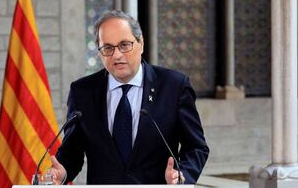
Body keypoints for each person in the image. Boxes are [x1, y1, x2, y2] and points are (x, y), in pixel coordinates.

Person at [49, 10, 209, 185]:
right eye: (108, 48)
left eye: (125, 45)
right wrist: (62, 172)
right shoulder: (82, 92)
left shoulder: (174, 86)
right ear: (99, 52)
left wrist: (182, 175)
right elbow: (72, 150)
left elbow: (196, 147)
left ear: (141, 44)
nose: (117, 55)